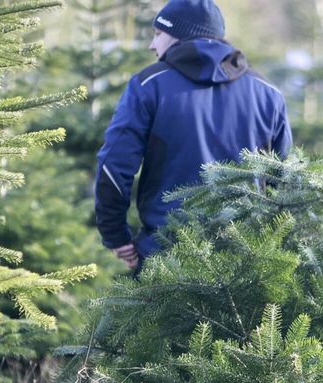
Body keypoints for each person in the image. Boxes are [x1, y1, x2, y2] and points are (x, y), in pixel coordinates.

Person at [94, 0, 293, 273]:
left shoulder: (148, 85)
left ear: (179, 35)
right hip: (245, 263)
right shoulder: (268, 92)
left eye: (158, 34)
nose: (152, 45)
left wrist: (115, 235)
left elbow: (114, 165)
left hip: (162, 259)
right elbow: (283, 180)